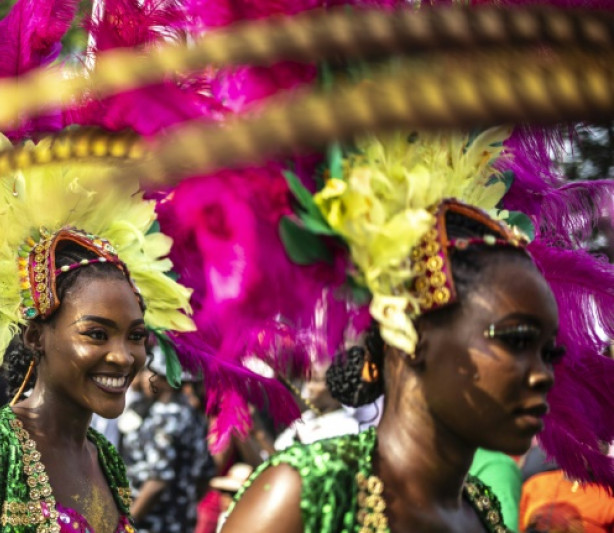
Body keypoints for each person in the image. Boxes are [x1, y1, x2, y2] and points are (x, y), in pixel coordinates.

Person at [220, 125, 614, 532]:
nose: (542, 375)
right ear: (414, 332)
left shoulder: (484, 514)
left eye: (550, 353)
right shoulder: (306, 493)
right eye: (515, 340)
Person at [0, 131, 196, 533]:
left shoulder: (103, 455)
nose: (123, 357)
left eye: (135, 336)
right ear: (35, 337)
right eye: (97, 334)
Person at [122, 365, 214, 533]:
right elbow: (205, 474)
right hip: (180, 521)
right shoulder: (193, 414)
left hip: (153, 523)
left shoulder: (168, 416)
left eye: (150, 372)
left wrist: (125, 524)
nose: (144, 378)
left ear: (166, 381)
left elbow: (157, 481)